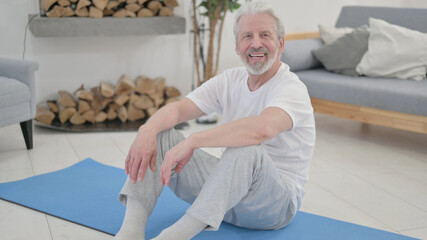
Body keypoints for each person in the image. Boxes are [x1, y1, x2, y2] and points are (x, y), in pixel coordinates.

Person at [114, 1, 315, 240]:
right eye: (247, 36)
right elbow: (178, 110)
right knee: (160, 133)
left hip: (272, 206)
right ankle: (130, 231)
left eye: (265, 35)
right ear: (238, 47)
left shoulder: (292, 88)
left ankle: (175, 235)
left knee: (248, 147)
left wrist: (194, 141)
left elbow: (262, 129)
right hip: (224, 197)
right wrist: (146, 130)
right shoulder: (230, 79)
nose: (256, 43)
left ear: (280, 44)